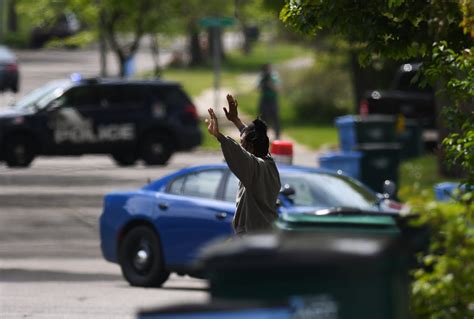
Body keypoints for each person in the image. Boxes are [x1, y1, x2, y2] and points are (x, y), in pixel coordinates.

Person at [206, 94, 281, 235]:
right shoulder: (269, 162)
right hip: (268, 235)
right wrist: (236, 120)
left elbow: (238, 153)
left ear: (251, 148)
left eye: (243, 144)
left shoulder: (254, 168)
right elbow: (252, 138)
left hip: (254, 240)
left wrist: (219, 136)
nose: (241, 145)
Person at [258, 63, 281, 139]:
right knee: (263, 117)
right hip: (264, 99)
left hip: (272, 100)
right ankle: (262, 136)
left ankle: (277, 136)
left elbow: (278, 88)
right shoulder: (262, 78)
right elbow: (258, 88)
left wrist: (270, 84)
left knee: (275, 117)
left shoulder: (274, 77)